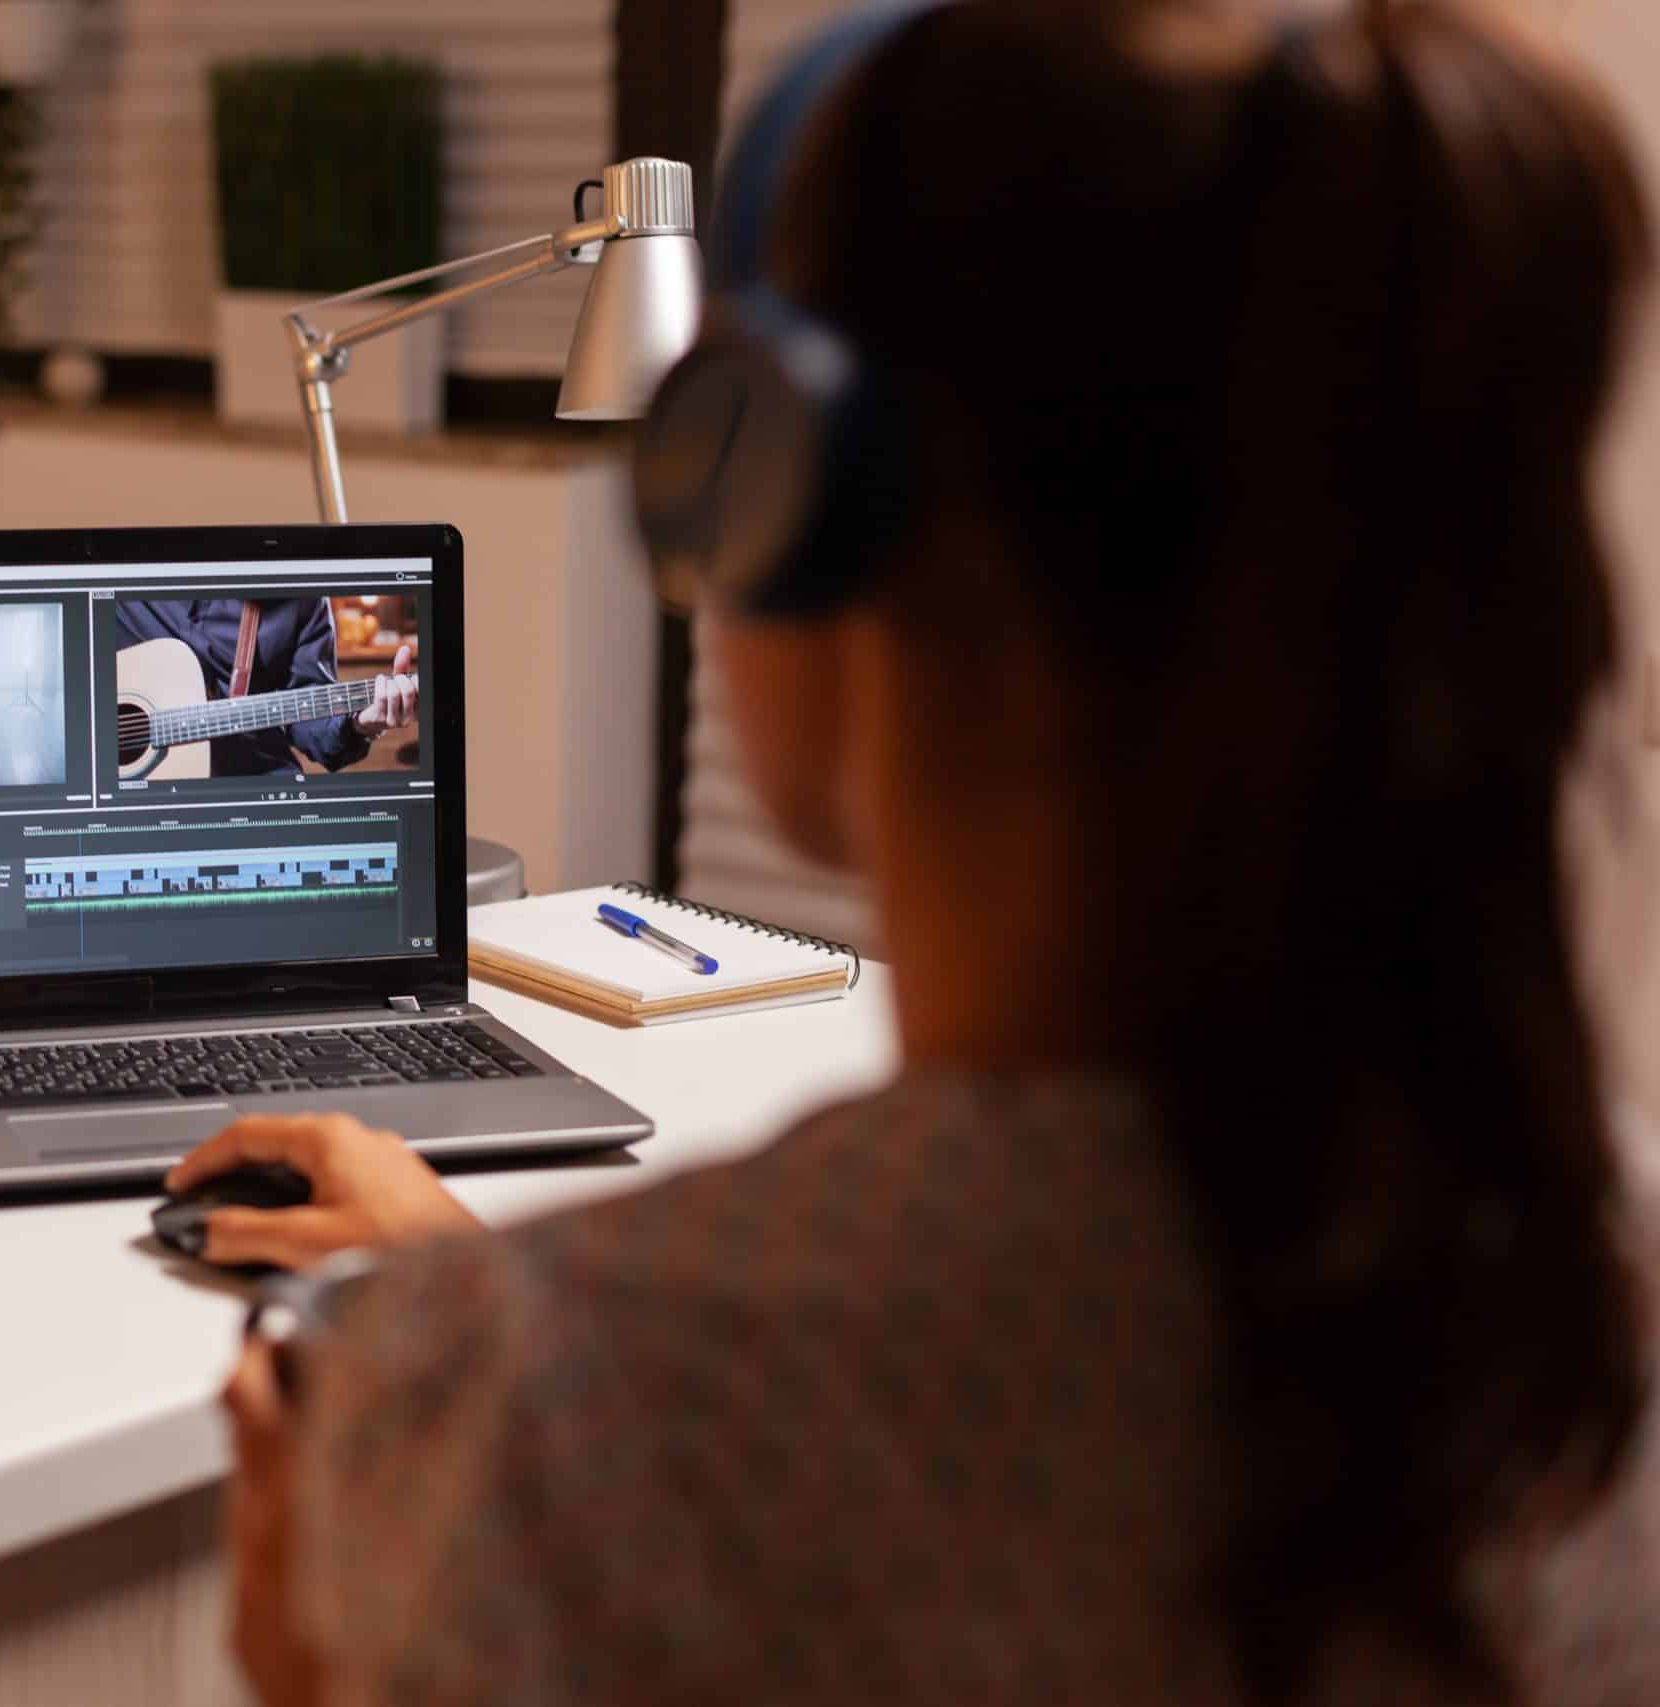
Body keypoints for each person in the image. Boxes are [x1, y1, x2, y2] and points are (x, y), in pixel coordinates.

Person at [167, 2, 1660, 1704]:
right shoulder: (1591, 1291)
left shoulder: (555, 1445)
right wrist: (485, 1295)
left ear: (768, 492)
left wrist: (328, 1649)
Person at [114, 598, 417, 776]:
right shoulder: (120, 578)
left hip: (257, 790)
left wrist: (358, 724)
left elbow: (313, 727)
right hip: (136, 803)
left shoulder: (298, 593)